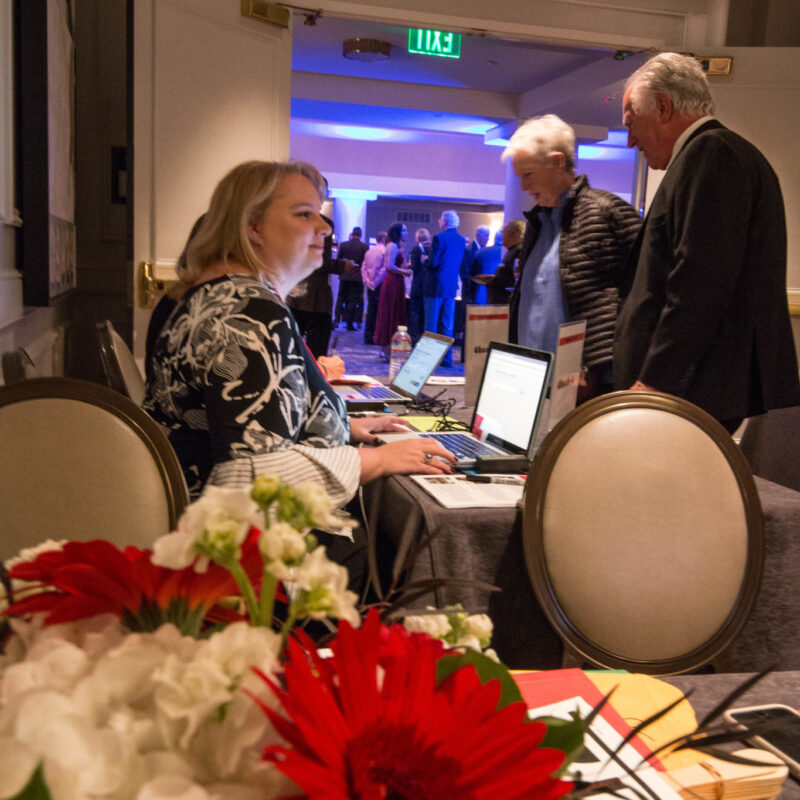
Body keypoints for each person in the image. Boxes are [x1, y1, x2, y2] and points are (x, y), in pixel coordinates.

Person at [144, 161, 455, 508]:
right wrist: (380, 459)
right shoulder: (249, 313)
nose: (324, 226)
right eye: (305, 214)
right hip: (249, 548)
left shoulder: (210, 294)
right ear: (253, 227)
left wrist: (341, 424)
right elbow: (257, 478)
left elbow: (240, 421)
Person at [616, 52, 800, 431]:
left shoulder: (712, 153)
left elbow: (700, 282)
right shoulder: (715, 154)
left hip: (693, 387)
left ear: (664, 107)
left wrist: (655, 383)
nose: (631, 140)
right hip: (696, 384)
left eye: (633, 124)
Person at [502, 114, 641, 401]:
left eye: (528, 174)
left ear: (557, 162)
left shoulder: (608, 211)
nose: (523, 187)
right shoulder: (536, 224)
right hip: (534, 377)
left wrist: (600, 368)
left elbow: (644, 294)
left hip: (588, 382)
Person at [285, 207, 339, 359]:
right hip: (315, 297)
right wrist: (342, 266)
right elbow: (322, 263)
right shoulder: (325, 224)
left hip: (293, 296)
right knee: (315, 356)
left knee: (290, 352)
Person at [424, 210, 466, 367]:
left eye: (440, 220)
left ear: (445, 222)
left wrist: (424, 260)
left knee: (431, 324)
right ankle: (447, 359)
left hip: (435, 285)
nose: (439, 222)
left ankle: (428, 359)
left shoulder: (438, 238)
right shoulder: (462, 240)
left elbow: (433, 263)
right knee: (447, 324)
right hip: (451, 286)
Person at [374, 223, 412, 360]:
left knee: (391, 314)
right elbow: (389, 266)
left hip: (395, 282)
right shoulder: (393, 246)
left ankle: (386, 350)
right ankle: (387, 350)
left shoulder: (394, 245)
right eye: (404, 230)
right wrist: (405, 271)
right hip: (393, 282)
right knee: (392, 314)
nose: (406, 232)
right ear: (398, 232)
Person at [334, 226, 369, 330]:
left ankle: (336, 320)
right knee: (354, 300)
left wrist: (341, 272)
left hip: (345, 275)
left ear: (352, 234)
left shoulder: (344, 245)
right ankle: (351, 323)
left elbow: (339, 260)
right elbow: (365, 263)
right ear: (361, 235)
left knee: (340, 298)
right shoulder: (364, 247)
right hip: (357, 277)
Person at [361, 232, 387, 346]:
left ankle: (368, 335)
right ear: (384, 239)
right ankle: (376, 336)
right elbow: (384, 269)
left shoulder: (369, 252)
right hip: (380, 284)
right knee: (379, 311)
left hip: (370, 284)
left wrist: (368, 281)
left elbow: (363, 268)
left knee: (371, 310)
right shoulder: (385, 251)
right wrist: (376, 282)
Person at [407, 227, 431, 344]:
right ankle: (421, 339)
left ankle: (414, 339)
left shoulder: (415, 250)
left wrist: (409, 267)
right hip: (427, 288)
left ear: (417, 239)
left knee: (415, 315)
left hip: (417, 288)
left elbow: (414, 269)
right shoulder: (432, 250)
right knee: (423, 315)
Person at [460, 225, 490, 305]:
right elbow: (464, 273)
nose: (488, 238)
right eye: (486, 235)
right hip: (470, 295)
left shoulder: (484, 250)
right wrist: (471, 292)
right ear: (478, 235)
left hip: (480, 293)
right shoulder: (469, 250)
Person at [470, 229, 502, 305]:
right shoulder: (508, 253)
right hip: (501, 298)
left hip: (481, 295)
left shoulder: (480, 252)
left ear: (495, 238)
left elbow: (472, 274)